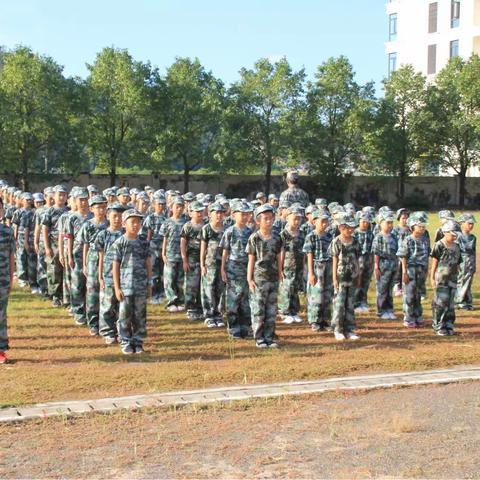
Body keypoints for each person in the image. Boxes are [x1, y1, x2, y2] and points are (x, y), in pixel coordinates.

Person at [112, 209, 152, 355]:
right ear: (124, 224)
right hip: (126, 286)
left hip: (141, 286)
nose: (136, 225)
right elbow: (115, 266)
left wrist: (149, 282)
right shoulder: (119, 243)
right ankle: (126, 341)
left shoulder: (143, 242)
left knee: (140, 315)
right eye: (132, 222)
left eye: (138, 222)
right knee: (124, 315)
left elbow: (148, 263)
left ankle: (138, 341)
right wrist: (117, 287)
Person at [246, 204, 282, 348]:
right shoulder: (254, 238)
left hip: (273, 278)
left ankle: (269, 336)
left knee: (271, 310)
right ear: (258, 221)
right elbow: (251, 259)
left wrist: (280, 272)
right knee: (259, 310)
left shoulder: (277, 238)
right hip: (259, 279)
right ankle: (259, 338)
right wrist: (249, 279)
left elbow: (279, 257)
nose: (269, 221)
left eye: (271, 218)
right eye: (265, 219)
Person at [220, 201, 253, 339]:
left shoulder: (250, 232)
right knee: (233, 300)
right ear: (234, 215)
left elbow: (253, 253)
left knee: (246, 300)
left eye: (247, 214)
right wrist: (222, 268)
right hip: (233, 268)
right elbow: (225, 252)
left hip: (246, 268)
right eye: (242, 214)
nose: (244, 217)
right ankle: (233, 329)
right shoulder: (230, 232)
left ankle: (245, 328)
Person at [328, 213, 361, 341]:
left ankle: (350, 329)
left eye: (352, 227)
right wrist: (335, 279)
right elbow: (334, 261)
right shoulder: (336, 242)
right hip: (341, 278)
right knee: (339, 304)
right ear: (341, 228)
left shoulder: (355, 241)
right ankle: (338, 329)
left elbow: (357, 260)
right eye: (348, 227)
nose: (351, 230)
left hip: (352, 277)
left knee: (350, 304)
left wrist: (358, 275)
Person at [80, 194, 109, 336]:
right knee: (92, 293)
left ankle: (106, 323)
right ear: (92, 208)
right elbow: (85, 244)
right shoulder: (88, 225)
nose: (101, 210)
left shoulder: (109, 224)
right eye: (98, 207)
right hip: (92, 260)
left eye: (104, 207)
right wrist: (85, 264)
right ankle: (93, 323)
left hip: (108, 261)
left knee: (107, 292)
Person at [97, 202, 125, 344]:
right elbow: (100, 257)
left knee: (123, 307)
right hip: (108, 276)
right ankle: (108, 332)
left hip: (124, 277)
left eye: (120, 216)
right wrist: (100, 276)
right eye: (114, 216)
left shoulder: (127, 235)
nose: (117, 219)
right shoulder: (103, 235)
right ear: (108, 216)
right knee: (107, 306)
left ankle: (123, 332)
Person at [397, 215, 430, 328]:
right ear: (412, 226)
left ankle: (418, 316)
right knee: (409, 295)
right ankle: (409, 318)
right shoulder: (408, 240)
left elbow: (426, 257)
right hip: (410, 270)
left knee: (418, 294)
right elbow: (403, 257)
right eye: (419, 226)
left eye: (423, 226)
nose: (422, 228)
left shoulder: (425, 240)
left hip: (421, 270)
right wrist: (404, 272)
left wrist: (426, 271)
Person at [303, 210, 333, 331]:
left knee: (327, 294)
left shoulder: (329, 236)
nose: (325, 224)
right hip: (316, 266)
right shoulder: (311, 236)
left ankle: (325, 320)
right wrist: (310, 272)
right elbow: (309, 254)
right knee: (316, 295)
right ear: (315, 222)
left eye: (326, 221)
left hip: (328, 266)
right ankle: (314, 320)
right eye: (322, 221)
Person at [430, 220, 462, 336]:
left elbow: (458, 263)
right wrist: (432, 277)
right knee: (440, 303)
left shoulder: (457, 247)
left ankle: (449, 325)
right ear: (445, 232)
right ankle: (439, 325)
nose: (454, 237)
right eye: (452, 234)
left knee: (450, 303)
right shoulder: (439, 245)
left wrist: (459, 278)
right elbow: (434, 262)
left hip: (453, 280)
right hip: (441, 280)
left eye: (456, 235)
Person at [200, 202, 226, 328]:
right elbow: (203, 247)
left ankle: (218, 314)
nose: (219, 215)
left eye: (221, 213)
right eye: (217, 213)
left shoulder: (226, 229)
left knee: (220, 289)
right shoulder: (207, 229)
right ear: (210, 214)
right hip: (209, 264)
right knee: (208, 289)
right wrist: (202, 264)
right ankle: (209, 315)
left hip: (222, 265)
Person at [42, 185, 68, 307]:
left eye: (64, 195)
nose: (62, 197)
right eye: (59, 195)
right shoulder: (50, 211)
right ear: (54, 196)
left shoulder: (69, 210)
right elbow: (45, 229)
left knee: (66, 271)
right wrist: (47, 247)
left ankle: (65, 295)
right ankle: (55, 295)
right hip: (54, 244)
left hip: (67, 245)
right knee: (54, 271)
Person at [278, 206, 305, 324]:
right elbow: (281, 252)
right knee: (286, 289)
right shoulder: (283, 234)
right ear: (288, 218)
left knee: (295, 289)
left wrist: (304, 266)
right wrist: (280, 268)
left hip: (298, 266)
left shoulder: (302, 234)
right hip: (287, 266)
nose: (297, 221)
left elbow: (304, 251)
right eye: (295, 218)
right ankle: (285, 312)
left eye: (299, 219)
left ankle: (294, 311)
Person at [161, 197, 187, 312]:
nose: (179, 209)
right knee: (169, 278)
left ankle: (181, 300)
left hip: (182, 255)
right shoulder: (167, 222)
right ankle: (171, 301)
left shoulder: (186, 222)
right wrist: (163, 253)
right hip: (170, 254)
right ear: (172, 208)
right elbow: (164, 239)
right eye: (177, 207)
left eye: (181, 207)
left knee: (180, 279)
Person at [180, 201, 205, 321]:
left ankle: (200, 307)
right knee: (191, 284)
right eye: (197, 211)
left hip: (203, 259)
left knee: (202, 284)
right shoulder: (188, 226)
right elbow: (183, 243)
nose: (200, 214)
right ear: (191, 213)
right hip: (191, 258)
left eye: (201, 211)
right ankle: (190, 308)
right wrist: (184, 260)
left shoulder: (206, 226)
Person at [372, 212, 398, 320]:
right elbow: (376, 253)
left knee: (389, 289)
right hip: (383, 266)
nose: (390, 225)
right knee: (382, 289)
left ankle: (389, 309)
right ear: (381, 223)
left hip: (393, 265)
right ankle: (381, 311)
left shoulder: (394, 236)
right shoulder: (378, 237)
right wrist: (376, 267)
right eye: (388, 223)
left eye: (391, 223)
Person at [0, 197, 15, 364]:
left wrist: (11, 278)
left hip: (2, 279)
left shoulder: (7, 231)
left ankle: (1, 348)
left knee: (1, 315)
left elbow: (11, 256)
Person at [353, 211, 374, 313]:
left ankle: (363, 302)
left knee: (366, 282)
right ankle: (355, 303)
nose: (365, 224)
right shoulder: (354, 233)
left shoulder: (371, 234)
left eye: (367, 222)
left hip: (368, 260)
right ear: (359, 221)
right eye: (363, 221)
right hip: (357, 260)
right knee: (357, 282)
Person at [455, 214, 476, 310]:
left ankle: (468, 301)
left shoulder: (473, 237)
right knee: (462, 281)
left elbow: (473, 252)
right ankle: (460, 301)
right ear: (462, 224)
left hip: (470, 263)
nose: (471, 225)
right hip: (462, 263)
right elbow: (456, 252)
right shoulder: (458, 237)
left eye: (472, 224)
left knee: (468, 282)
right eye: (469, 223)